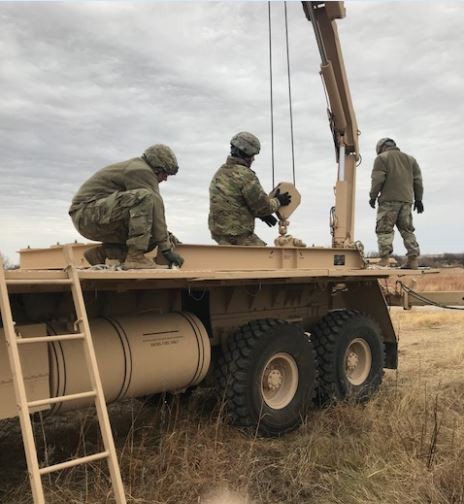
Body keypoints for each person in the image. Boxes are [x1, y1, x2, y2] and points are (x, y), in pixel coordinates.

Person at [69, 144, 184, 269]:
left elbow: (150, 219)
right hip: (85, 213)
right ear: (157, 169)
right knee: (145, 197)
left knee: (150, 236)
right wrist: (166, 249)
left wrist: (167, 239)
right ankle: (135, 258)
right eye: (165, 174)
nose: (165, 179)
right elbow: (156, 205)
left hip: (97, 215)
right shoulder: (141, 170)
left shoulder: (140, 169)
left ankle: (102, 253)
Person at [208, 131, 291, 246]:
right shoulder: (245, 176)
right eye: (252, 156)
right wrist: (279, 201)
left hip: (220, 234)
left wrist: (261, 215)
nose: (253, 159)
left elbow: (233, 202)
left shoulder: (220, 172)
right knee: (265, 260)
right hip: (238, 235)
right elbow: (263, 207)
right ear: (246, 154)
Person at [369, 137, 424, 269]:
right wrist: (418, 199)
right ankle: (413, 260)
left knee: (384, 230)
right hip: (406, 201)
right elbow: (418, 181)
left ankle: (384, 260)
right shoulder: (411, 160)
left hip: (388, 201)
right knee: (407, 230)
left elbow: (377, 180)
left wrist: (373, 196)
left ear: (381, 147)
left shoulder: (382, 158)